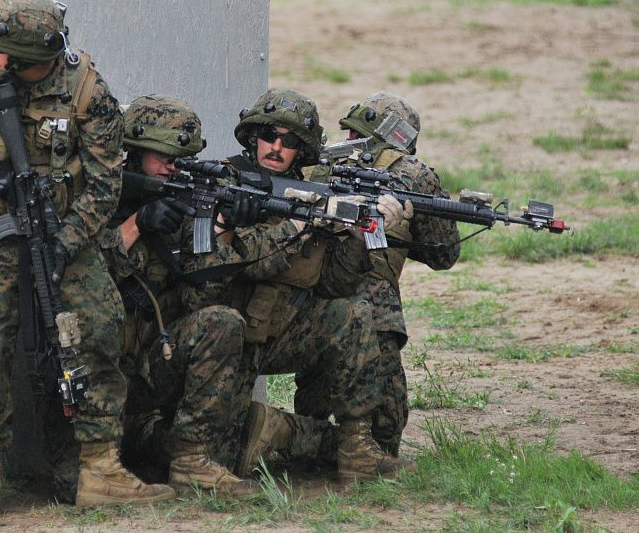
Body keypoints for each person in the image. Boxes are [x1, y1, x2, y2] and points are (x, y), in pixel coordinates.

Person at [0, 0, 174, 514]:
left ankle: (101, 465)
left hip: (66, 232)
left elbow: (105, 186)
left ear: (28, 57)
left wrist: (65, 243)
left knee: (98, 328)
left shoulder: (88, 92)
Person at [219, 88, 413, 481]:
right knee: (222, 454)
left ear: (303, 149)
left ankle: (356, 448)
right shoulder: (228, 182)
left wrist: (358, 235)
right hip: (228, 340)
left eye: (289, 141)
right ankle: (280, 430)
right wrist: (301, 223)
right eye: (269, 136)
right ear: (253, 136)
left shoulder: (311, 193)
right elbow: (246, 261)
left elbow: (334, 284)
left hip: (284, 333)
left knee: (353, 313)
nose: (276, 147)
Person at [99, 94, 259, 496]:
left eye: (181, 159)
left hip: (152, 373)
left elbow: (199, 301)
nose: (173, 168)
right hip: (100, 377)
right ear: (136, 151)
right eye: (164, 157)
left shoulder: (181, 207)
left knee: (223, 322)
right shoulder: (100, 197)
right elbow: (85, 279)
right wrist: (137, 224)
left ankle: (190, 460)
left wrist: (222, 229)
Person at [297, 91, 461, 456]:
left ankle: (313, 443)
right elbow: (444, 254)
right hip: (369, 309)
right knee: (383, 431)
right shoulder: (414, 174)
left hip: (307, 298)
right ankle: (373, 448)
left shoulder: (315, 162)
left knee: (313, 402)